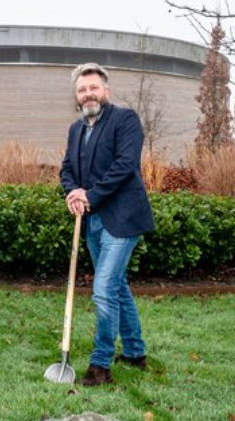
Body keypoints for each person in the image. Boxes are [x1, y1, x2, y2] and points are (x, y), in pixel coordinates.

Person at [59, 63, 155, 387]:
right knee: (117, 286)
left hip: (122, 218)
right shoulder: (76, 129)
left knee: (103, 289)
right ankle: (135, 352)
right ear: (76, 95)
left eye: (93, 88)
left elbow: (125, 165)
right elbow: (67, 169)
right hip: (93, 220)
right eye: (82, 89)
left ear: (106, 90)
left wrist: (91, 195)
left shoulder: (125, 120)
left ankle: (100, 366)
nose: (88, 94)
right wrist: (72, 192)